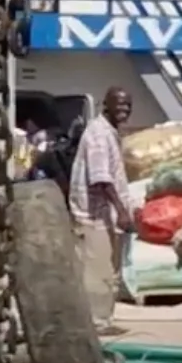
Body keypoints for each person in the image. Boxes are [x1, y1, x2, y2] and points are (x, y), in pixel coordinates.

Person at [68, 86, 134, 337]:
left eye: (127, 105)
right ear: (106, 105)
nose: (124, 110)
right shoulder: (98, 134)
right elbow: (101, 179)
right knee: (98, 272)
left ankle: (103, 319)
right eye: (119, 104)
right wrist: (122, 211)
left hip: (106, 216)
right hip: (94, 215)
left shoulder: (110, 132)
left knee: (107, 269)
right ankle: (97, 323)